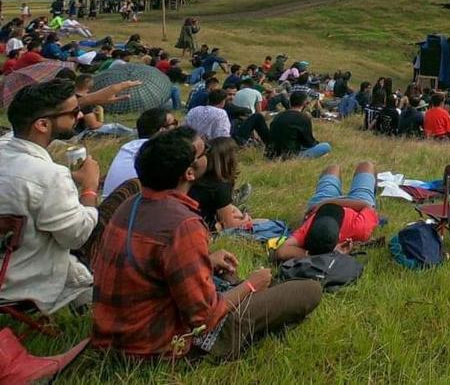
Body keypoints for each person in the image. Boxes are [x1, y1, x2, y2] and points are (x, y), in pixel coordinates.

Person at [91, 127, 321, 360]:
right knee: (308, 290)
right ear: (189, 173)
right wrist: (252, 284)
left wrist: (205, 262)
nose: (209, 155)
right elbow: (205, 317)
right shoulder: (183, 224)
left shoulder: (129, 205)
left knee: (224, 277)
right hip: (161, 347)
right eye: (205, 152)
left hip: (114, 337)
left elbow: (146, 267)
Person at [0, 81, 99, 314]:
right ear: (43, 124)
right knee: (99, 222)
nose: (80, 115)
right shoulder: (51, 176)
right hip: (19, 283)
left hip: (8, 264)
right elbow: (77, 237)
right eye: (73, 112)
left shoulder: (6, 149)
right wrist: (90, 187)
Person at [274, 161, 379, 261]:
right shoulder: (359, 229)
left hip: (319, 205)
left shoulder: (307, 231)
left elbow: (281, 252)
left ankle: (334, 171)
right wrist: (327, 204)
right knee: (366, 166)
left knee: (333, 169)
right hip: (356, 204)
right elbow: (367, 206)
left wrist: (312, 255)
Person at [102, 107, 178, 198]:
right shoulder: (160, 151)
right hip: (134, 207)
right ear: (163, 131)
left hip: (108, 203)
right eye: (174, 123)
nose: (178, 127)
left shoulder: (127, 147)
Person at [188, 137, 256, 232]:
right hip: (202, 230)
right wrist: (246, 220)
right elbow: (229, 225)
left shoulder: (199, 179)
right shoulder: (220, 186)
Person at [266, 92, 331, 160]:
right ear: (305, 103)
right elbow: (309, 143)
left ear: (290, 102)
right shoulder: (303, 118)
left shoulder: (278, 116)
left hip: (272, 154)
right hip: (290, 156)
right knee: (326, 146)